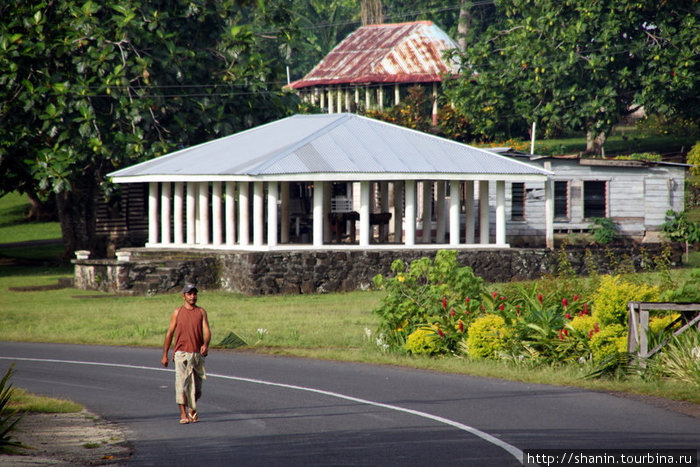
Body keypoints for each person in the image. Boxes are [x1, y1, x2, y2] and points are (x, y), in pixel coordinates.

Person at [161, 283, 211, 424]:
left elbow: (206, 331)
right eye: (189, 294)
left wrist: (205, 345)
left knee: (197, 388)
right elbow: (170, 334)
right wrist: (165, 354)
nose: (192, 296)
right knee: (181, 384)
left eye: (194, 294)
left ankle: (192, 408)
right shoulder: (177, 312)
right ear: (184, 296)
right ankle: (183, 414)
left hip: (196, 354)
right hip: (181, 354)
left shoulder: (201, 312)